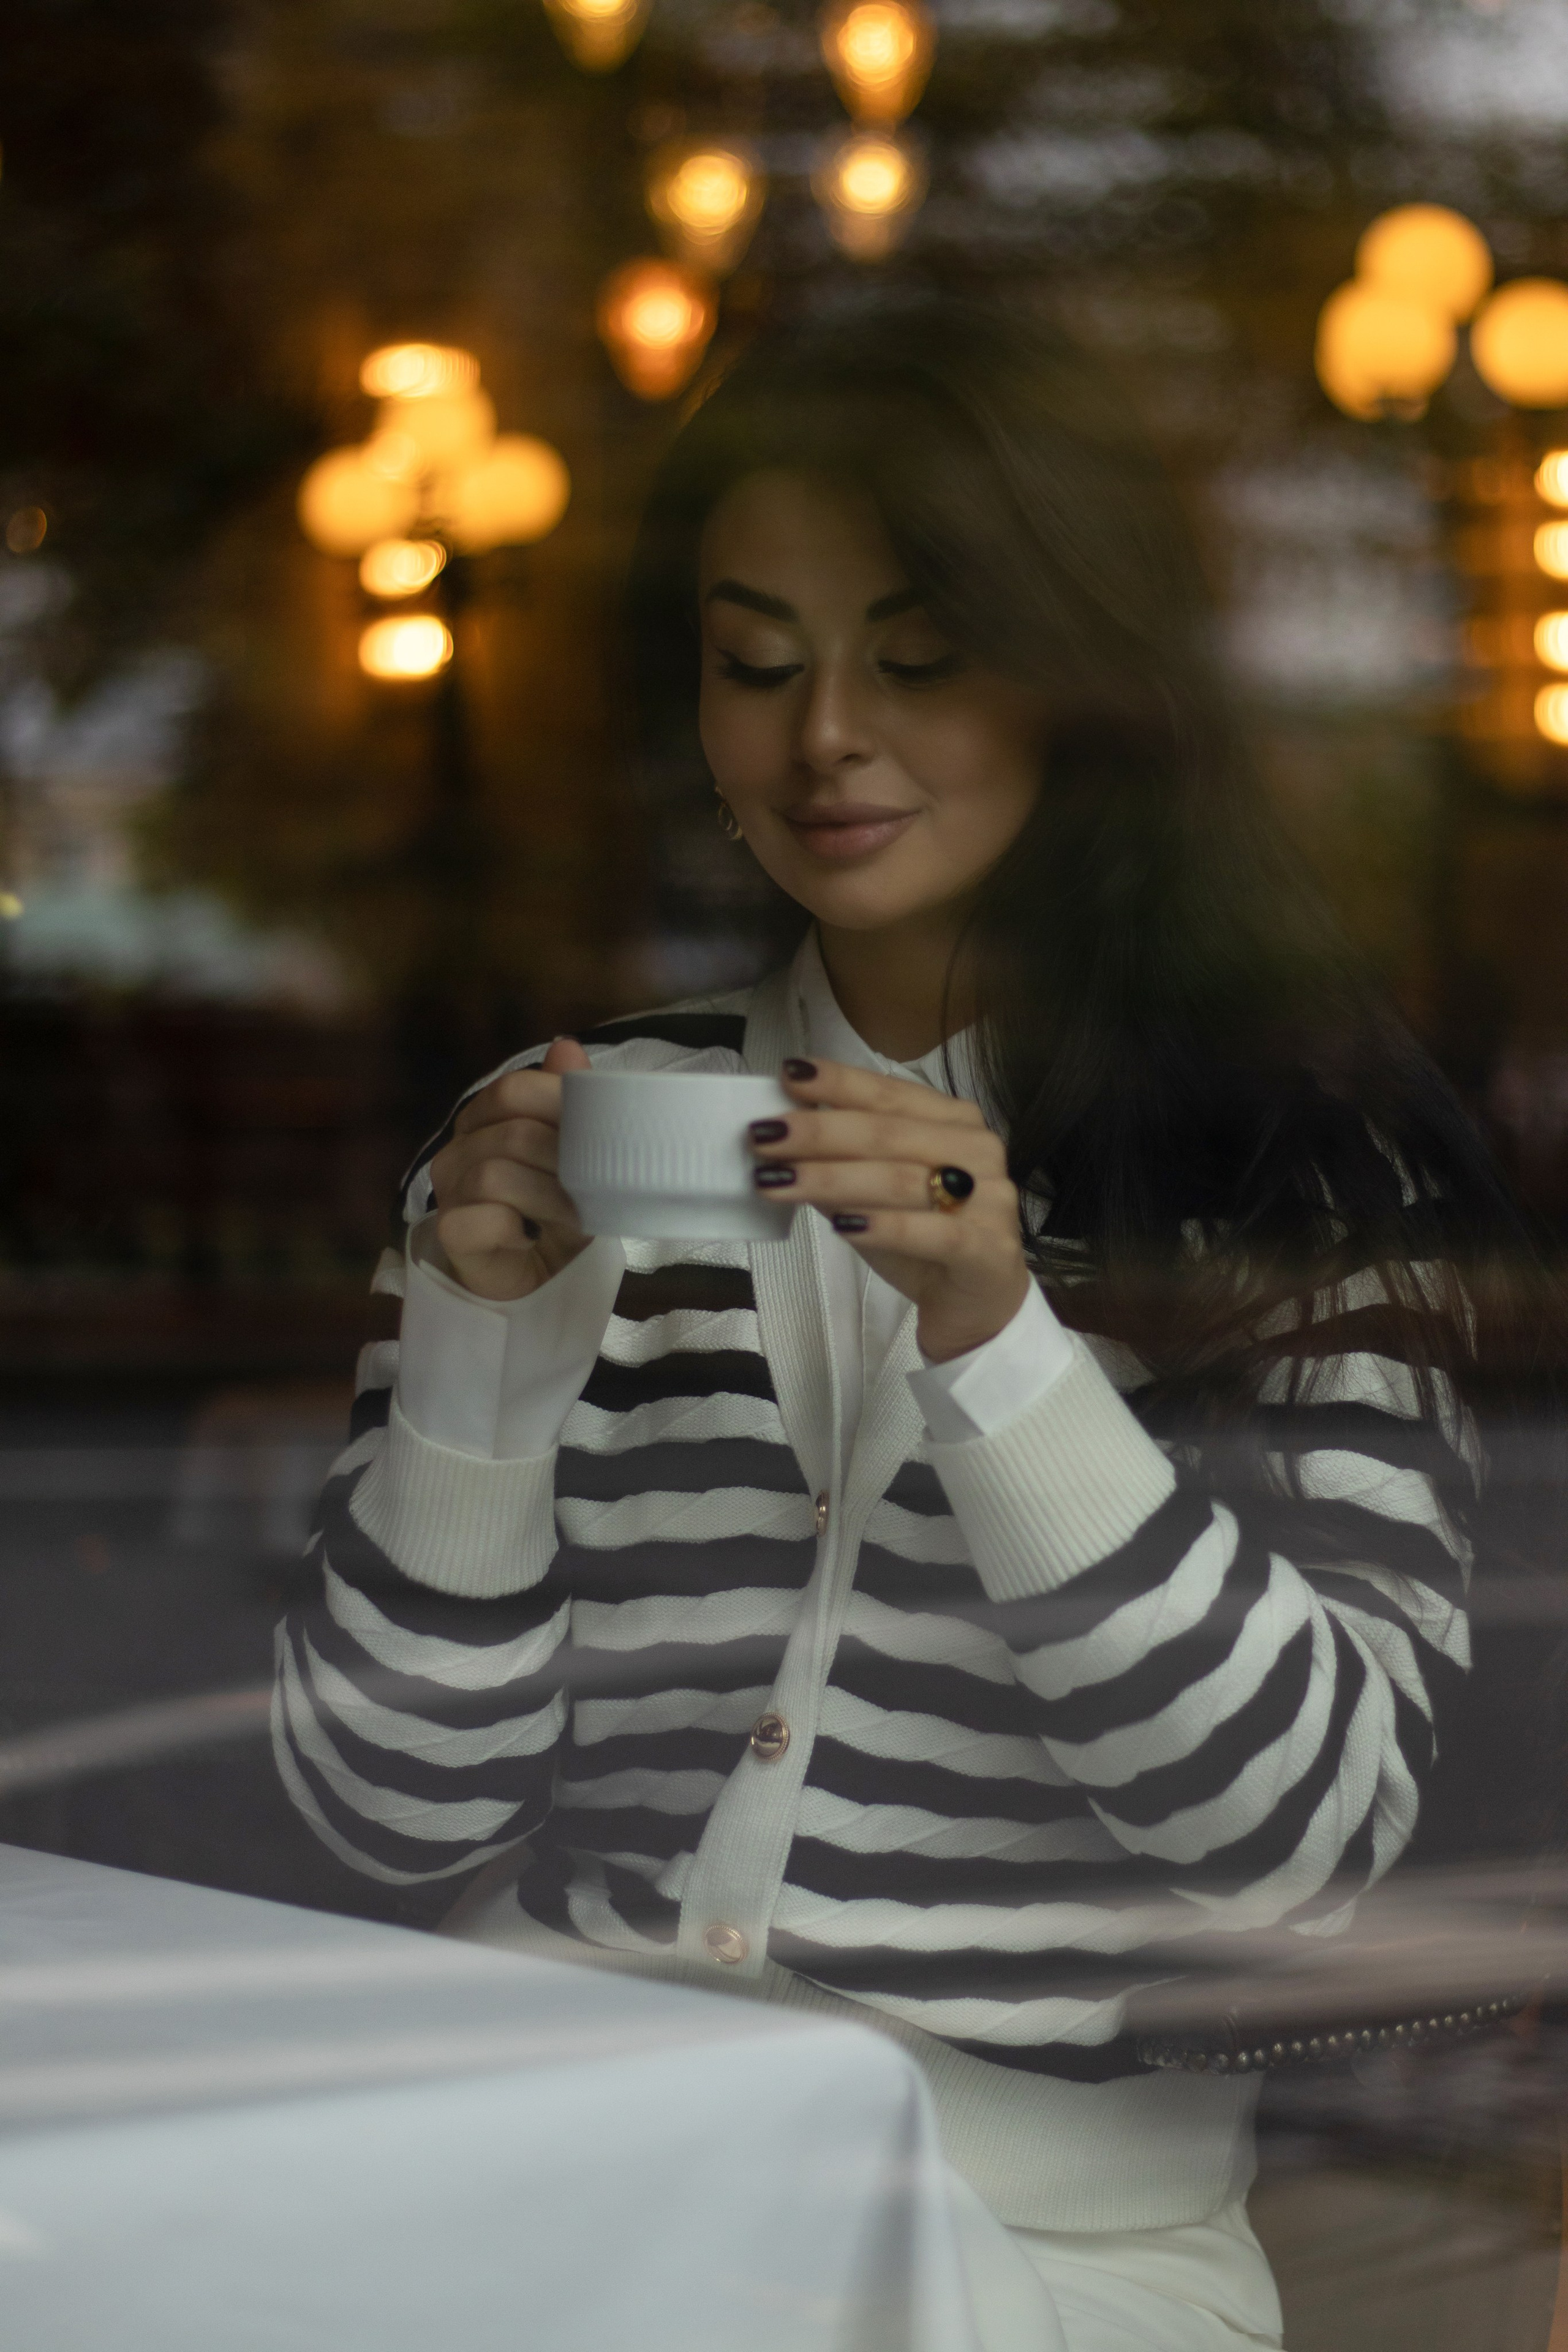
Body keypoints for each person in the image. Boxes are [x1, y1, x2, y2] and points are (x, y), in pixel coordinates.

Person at [274, 300, 1512, 2349]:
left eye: (918, 655)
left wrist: (1006, 1345)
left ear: (1083, 681)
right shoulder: (555, 1142)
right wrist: (484, 1378)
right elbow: (391, 1816)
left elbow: (1297, 1858)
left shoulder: (1305, 1182)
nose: (824, 730)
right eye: (756, 660)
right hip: (548, 2174)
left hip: (1043, 2263)